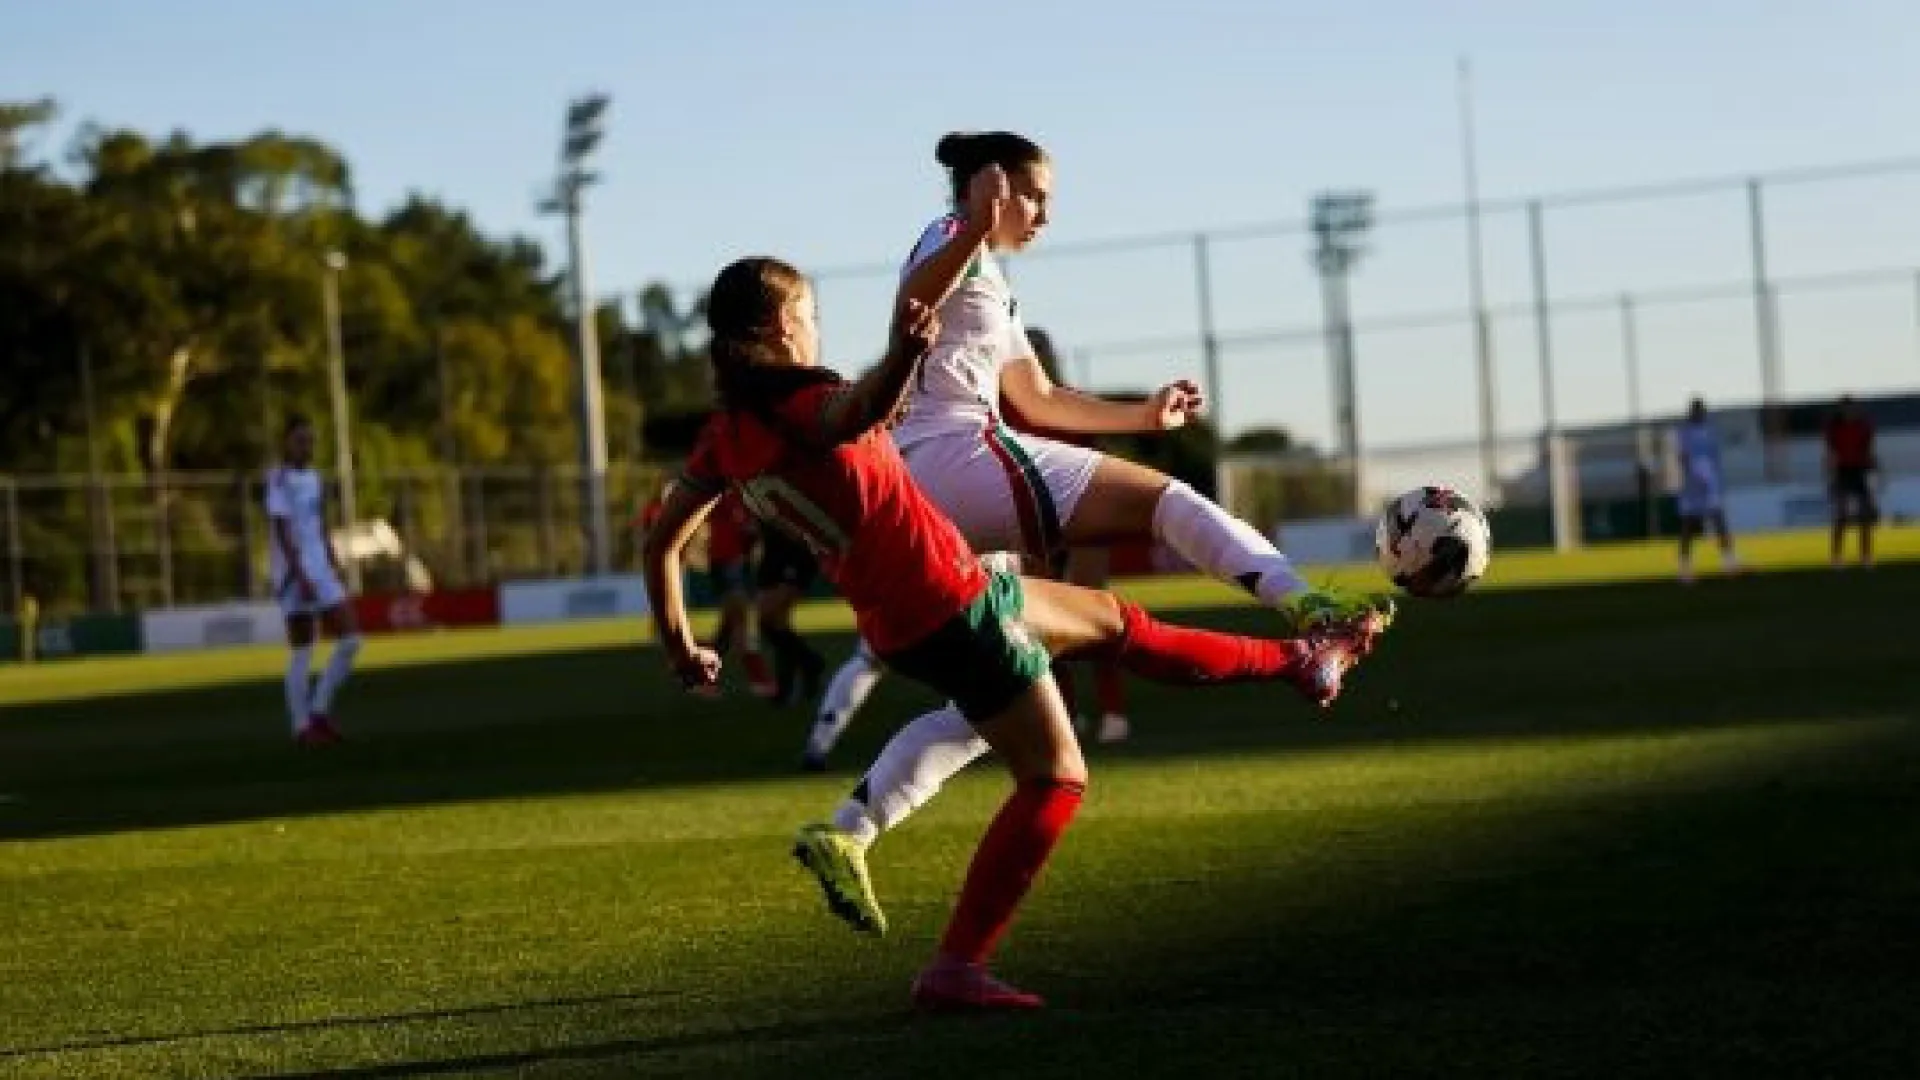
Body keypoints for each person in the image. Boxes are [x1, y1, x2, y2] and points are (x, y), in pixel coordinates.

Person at [642, 256, 1371, 1010]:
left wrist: (678, 647)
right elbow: (846, 416)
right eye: (812, 312)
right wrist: (903, 355)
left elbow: (662, 543)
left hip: (916, 607)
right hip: (950, 605)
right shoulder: (804, 402)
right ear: (783, 325)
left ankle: (1299, 660)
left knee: (1114, 622)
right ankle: (955, 968)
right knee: (1057, 776)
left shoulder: (723, 436)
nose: (818, 325)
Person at [806, 131, 1394, 870]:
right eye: (1036, 196)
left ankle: (849, 831)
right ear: (992, 186)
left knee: (1008, 693)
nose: (1046, 215)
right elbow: (911, 305)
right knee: (1167, 500)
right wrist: (979, 223)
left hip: (936, 482)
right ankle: (1308, 608)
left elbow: (1039, 396)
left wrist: (1142, 417)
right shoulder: (953, 233)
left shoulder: (987, 271)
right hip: (958, 455)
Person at [267, 415, 362, 745]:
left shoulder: (315, 478)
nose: (307, 447)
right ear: (286, 443)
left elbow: (319, 523)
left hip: (320, 568)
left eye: (310, 441)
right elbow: (281, 532)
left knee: (351, 639)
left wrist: (332, 557)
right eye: (300, 440)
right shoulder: (279, 480)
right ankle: (302, 726)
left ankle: (318, 711)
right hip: (296, 574)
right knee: (303, 649)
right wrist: (301, 574)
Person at [696, 490, 775, 699]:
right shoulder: (719, 494)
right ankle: (759, 679)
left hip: (738, 563)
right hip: (724, 563)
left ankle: (699, 670)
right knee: (740, 622)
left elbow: (751, 530)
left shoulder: (743, 496)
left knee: (729, 627)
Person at [755, 522, 827, 706]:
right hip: (773, 555)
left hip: (793, 557)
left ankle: (808, 664)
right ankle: (795, 677)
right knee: (778, 625)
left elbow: (796, 527)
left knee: (769, 622)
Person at [1672, 396, 1740, 584]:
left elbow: (1715, 456)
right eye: (1696, 410)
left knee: (1719, 521)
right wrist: (1691, 478)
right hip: (1692, 482)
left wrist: (1716, 479)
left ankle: (1729, 562)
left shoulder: (1710, 429)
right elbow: (1682, 456)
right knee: (1688, 526)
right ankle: (1684, 568)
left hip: (1711, 482)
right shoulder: (1684, 432)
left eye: (1701, 410)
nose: (1699, 413)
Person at [1824, 394, 1880, 568]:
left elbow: (1869, 450)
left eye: (1851, 407)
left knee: (1865, 517)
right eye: (1846, 407)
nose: (1849, 411)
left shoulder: (1864, 426)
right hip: (1842, 472)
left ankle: (1866, 556)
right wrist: (1831, 476)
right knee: (1842, 516)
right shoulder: (1833, 427)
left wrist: (1873, 472)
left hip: (1860, 471)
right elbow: (1830, 453)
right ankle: (1836, 557)